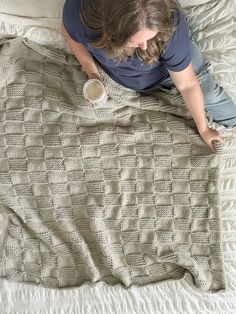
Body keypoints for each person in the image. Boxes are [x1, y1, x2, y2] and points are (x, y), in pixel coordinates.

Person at [61, 0, 236, 152]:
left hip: (168, 65)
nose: (144, 47)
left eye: (147, 38)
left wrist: (204, 128)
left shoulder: (169, 25)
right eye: (137, 41)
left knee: (209, 93)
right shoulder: (80, 13)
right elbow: (69, 34)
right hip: (130, 76)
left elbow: (188, 85)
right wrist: (92, 72)